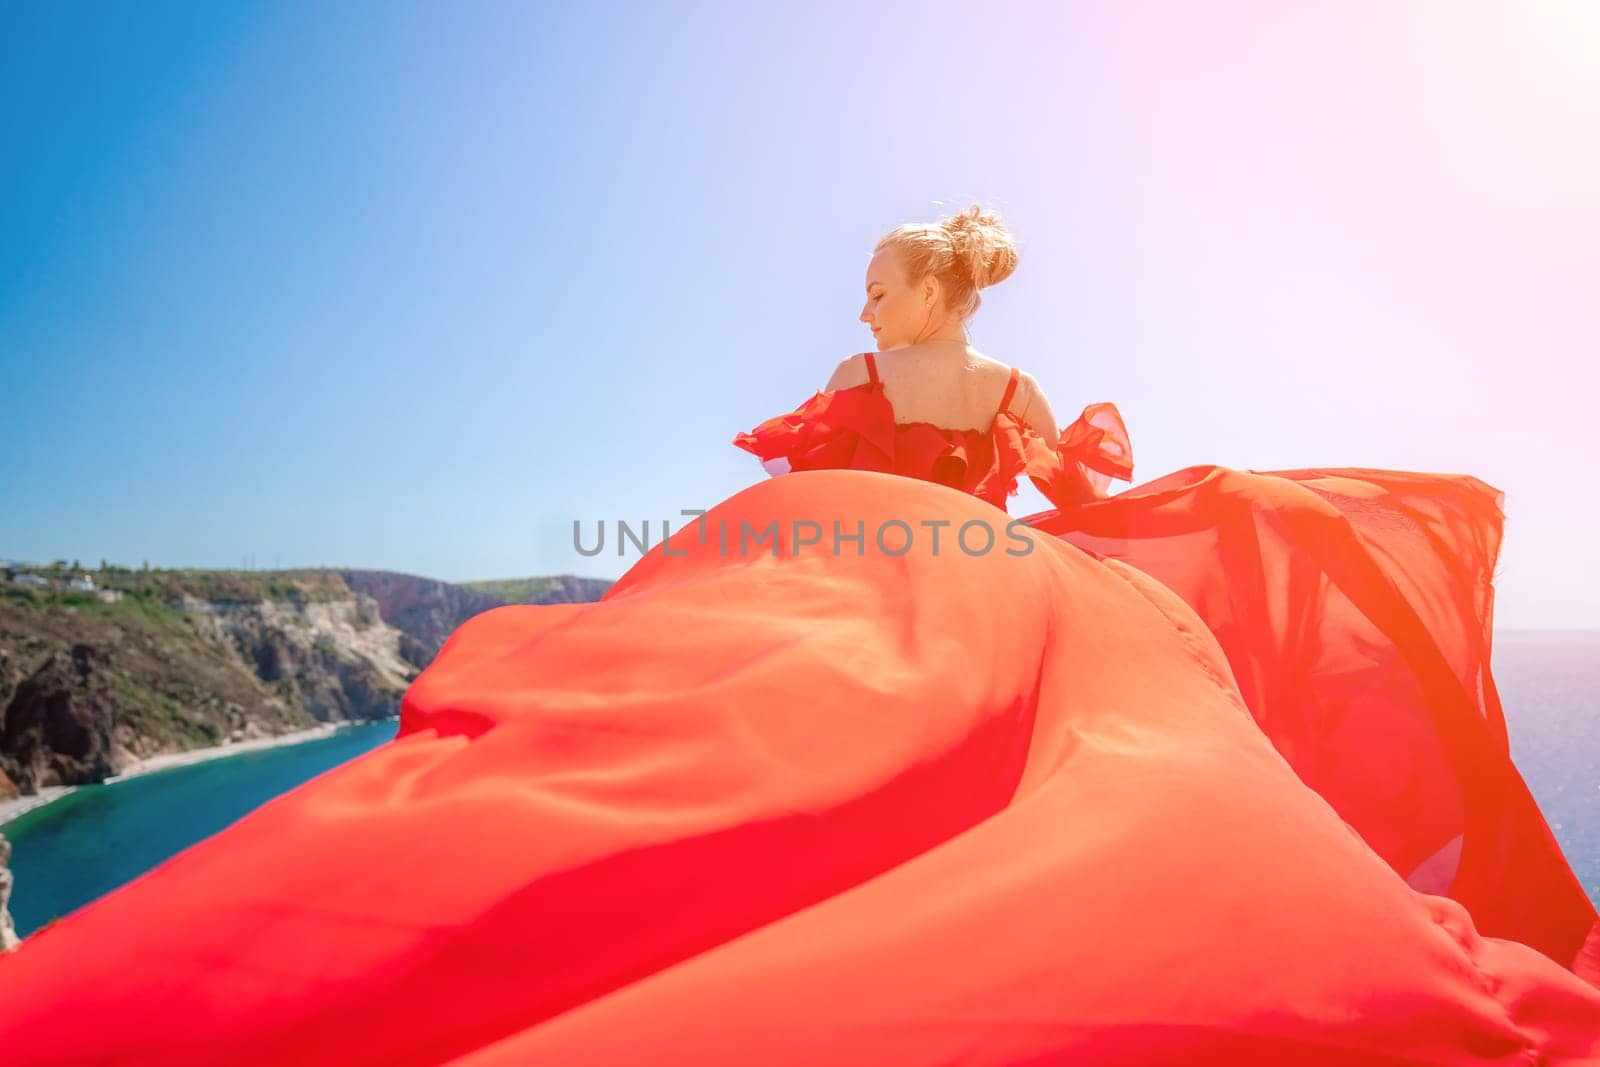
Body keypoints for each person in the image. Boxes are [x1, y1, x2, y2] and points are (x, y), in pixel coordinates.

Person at [0, 208, 1597, 1065]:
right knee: (1057, 779)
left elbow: (813, 470)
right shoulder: (1017, 398)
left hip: (878, 569)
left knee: (768, 737)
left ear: (929, 298)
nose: (860, 299)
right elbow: (1069, 484)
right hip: (1003, 573)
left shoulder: (852, 398)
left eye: (878, 283)